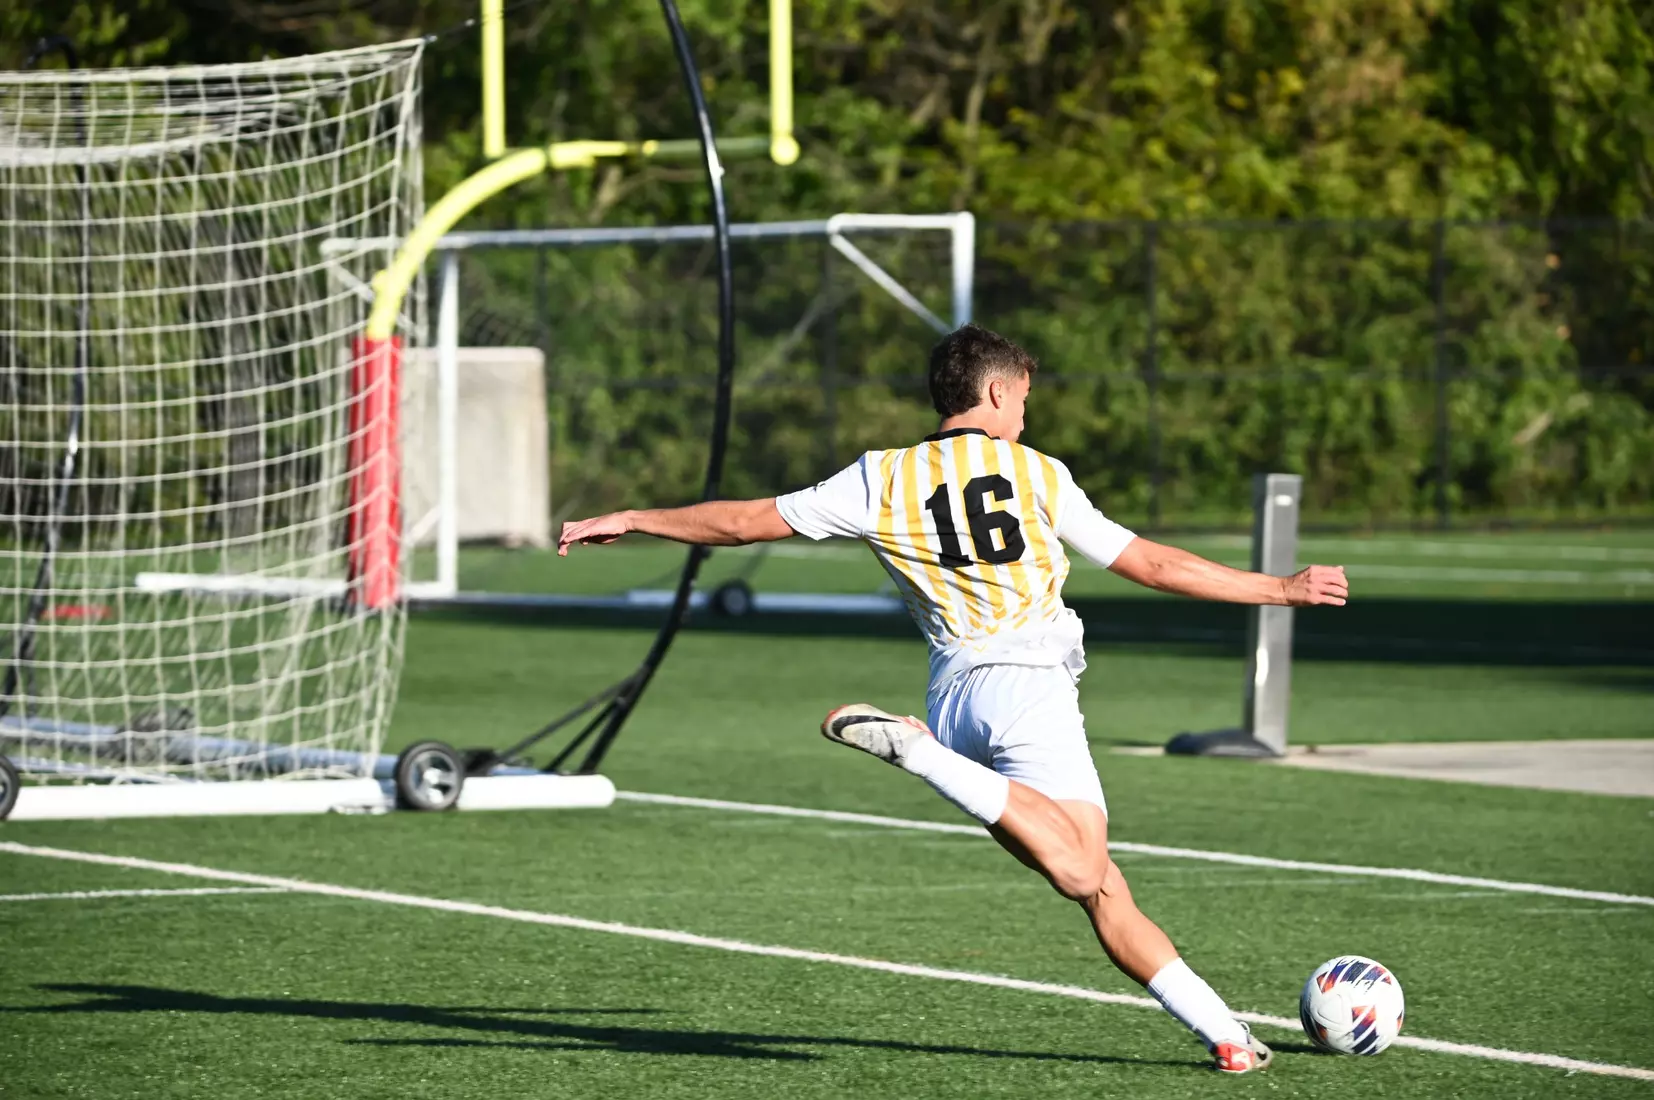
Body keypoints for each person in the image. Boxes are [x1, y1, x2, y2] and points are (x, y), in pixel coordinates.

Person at [558, 323, 1349, 1073]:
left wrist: (636, 516)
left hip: (955, 695)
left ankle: (1227, 1035)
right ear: (997, 393)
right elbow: (1151, 564)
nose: (1026, 414)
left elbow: (744, 521)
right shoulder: (1037, 473)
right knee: (1083, 869)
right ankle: (921, 756)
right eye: (1025, 398)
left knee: (1100, 884)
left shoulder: (879, 476)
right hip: (1026, 686)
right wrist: (1282, 589)